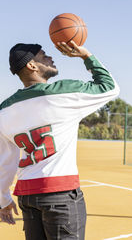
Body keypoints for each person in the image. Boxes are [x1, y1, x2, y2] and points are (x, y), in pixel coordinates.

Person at [0, 41, 119, 239]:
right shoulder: (63, 92)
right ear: (32, 65)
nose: (50, 57)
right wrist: (85, 55)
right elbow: (109, 87)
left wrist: (3, 200)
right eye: (43, 55)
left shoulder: (4, 110)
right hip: (60, 193)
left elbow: (5, 162)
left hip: (28, 195)